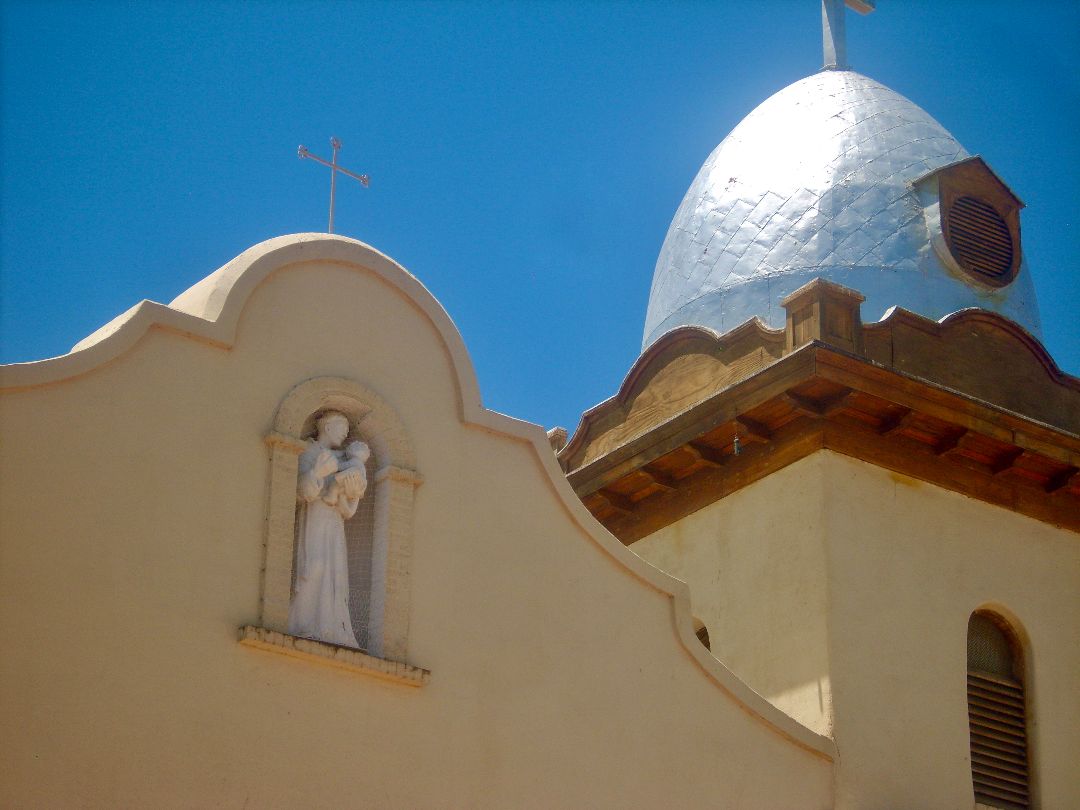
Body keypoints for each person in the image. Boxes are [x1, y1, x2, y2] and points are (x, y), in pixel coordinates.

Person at [287, 411, 368, 648]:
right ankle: (301, 624)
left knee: (335, 572)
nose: (345, 433)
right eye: (341, 427)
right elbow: (301, 492)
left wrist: (349, 493)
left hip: (333, 522)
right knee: (314, 566)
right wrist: (317, 474)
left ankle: (331, 627)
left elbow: (349, 506)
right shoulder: (309, 452)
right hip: (312, 518)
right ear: (328, 427)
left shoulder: (343, 459)